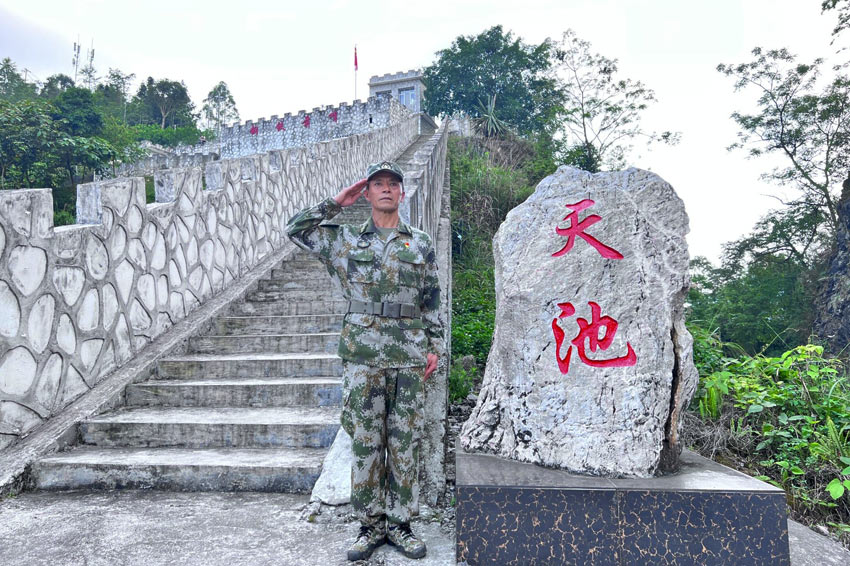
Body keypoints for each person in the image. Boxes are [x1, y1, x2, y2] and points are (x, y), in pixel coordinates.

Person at [286, 160, 444, 561]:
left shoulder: (420, 243)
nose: (386, 189)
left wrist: (435, 346)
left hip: (408, 355)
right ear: (368, 192)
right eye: (378, 184)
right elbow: (295, 230)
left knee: (405, 443)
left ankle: (401, 525)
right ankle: (370, 526)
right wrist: (336, 203)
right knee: (367, 442)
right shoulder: (344, 240)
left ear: (402, 193)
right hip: (362, 357)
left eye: (393, 183)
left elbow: (431, 299)